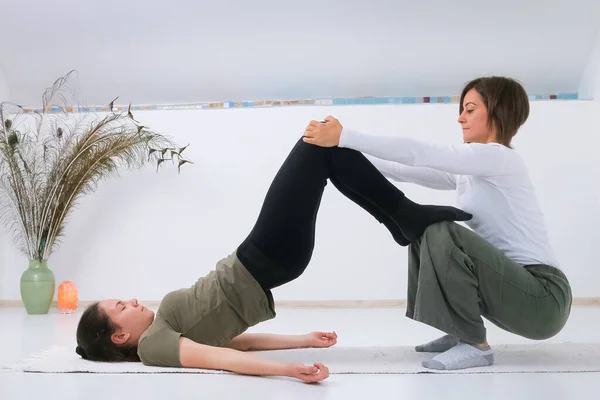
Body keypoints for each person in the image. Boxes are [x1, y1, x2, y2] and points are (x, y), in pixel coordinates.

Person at [75, 135, 472, 382]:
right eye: (120, 307)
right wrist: (288, 371)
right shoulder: (154, 348)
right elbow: (223, 359)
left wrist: (303, 341)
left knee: (328, 148)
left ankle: (401, 218)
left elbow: (238, 342)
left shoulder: (164, 330)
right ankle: (403, 216)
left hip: (267, 257)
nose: (129, 300)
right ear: (119, 335)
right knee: (316, 142)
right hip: (264, 256)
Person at [302, 76, 573, 371]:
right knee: (423, 227)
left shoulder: (499, 159)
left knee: (440, 227)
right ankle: (461, 331)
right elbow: (403, 168)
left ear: (498, 111)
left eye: (470, 110)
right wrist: (339, 154)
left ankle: (475, 345)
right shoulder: (471, 171)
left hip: (544, 298)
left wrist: (346, 136)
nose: (460, 118)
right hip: (518, 288)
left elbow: (422, 152)